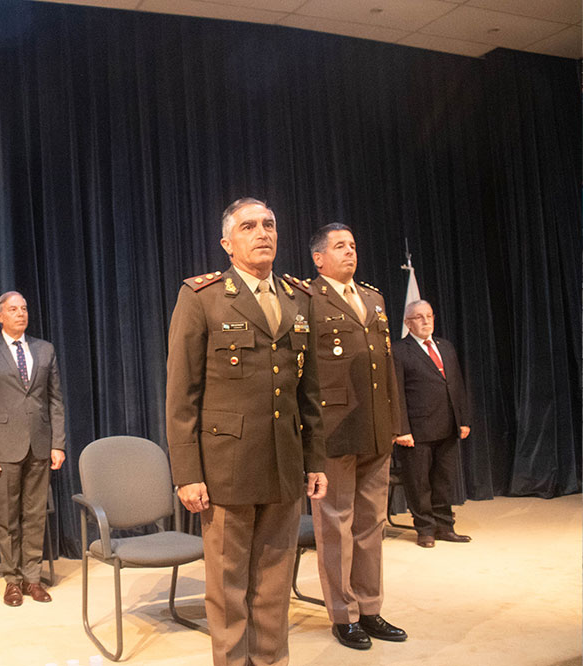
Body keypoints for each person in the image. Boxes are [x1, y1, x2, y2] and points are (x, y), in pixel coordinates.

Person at [166, 198, 327, 666]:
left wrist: (315, 460)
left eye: (269, 225)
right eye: (250, 226)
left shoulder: (299, 297)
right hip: (226, 466)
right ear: (227, 243)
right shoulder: (203, 296)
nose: (263, 233)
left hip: (284, 463)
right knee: (228, 585)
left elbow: (309, 390)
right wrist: (187, 473)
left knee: (275, 584)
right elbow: (181, 395)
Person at [307, 223, 411, 650]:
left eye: (352, 245)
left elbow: (387, 367)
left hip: (375, 427)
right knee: (336, 526)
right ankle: (343, 615)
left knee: (371, 524)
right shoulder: (307, 298)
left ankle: (370, 608)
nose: (350, 251)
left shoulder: (373, 299)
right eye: (339, 246)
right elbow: (303, 375)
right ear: (319, 258)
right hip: (333, 431)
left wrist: (396, 423)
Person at [0, 291, 66, 607]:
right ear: (0, 315)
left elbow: (55, 400)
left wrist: (58, 443)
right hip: (2, 447)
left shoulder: (45, 349)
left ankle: (32, 578)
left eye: (24, 308)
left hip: (39, 444)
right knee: (7, 517)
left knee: (34, 515)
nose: (21, 313)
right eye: (13, 309)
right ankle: (12, 580)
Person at [394, 299, 471, 547]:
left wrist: (463, 419)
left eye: (429, 316)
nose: (426, 321)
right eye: (419, 317)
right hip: (416, 432)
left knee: (444, 480)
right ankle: (425, 529)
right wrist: (401, 429)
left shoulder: (445, 347)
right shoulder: (398, 351)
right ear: (408, 323)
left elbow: (456, 384)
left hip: (447, 426)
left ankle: (445, 526)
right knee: (419, 483)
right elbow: (395, 393)